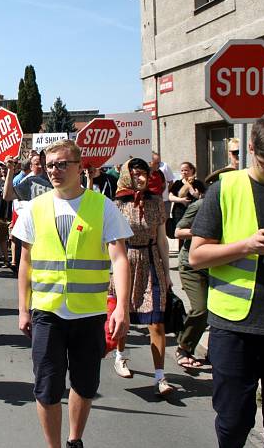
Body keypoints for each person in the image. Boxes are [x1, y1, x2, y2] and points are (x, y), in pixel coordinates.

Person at [189, 113, 264, 448]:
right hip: (236, 327)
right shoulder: (224, 189)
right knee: (234, 422)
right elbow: (197, 256)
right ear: (250, 148)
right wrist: (247, 246)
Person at [15, 139, 131, 448]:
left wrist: (121, 306)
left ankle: (74, 440)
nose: (54, 170)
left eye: (62, 164)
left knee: (85, 384)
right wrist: (23, 309)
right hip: (47, 312)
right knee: (47, 388)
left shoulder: (101, 206)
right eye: (50, 165)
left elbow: (119, 258)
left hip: (89, 313)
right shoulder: (35, 207)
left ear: (80, 167)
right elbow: (25, 262)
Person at [111, 158, 175, 396]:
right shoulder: (116, 205)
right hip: (126, 261)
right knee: (123, 313)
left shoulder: (156, 203)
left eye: (144, 174)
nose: (140, 178)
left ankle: (160, 377)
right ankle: (120, 355)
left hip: (151, 261)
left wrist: (167, 273)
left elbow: (162, 240)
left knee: (156, 321)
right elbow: (111, 242)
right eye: (135, 174)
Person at [173, 168, 227, 368]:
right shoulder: (201, 205)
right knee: (200, 309)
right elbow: (178, 231)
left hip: (218, 264)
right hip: (192, 265)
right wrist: (202, 232)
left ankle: (215, 353)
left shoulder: (237, 205)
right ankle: (184, 347)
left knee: (219, 312)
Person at [169, 162, 205, 240]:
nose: (184, 172)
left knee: (193, 232)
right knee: (180, 233)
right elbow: (170, 197)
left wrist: (196, 195)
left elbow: (204, 196)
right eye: (182, 170)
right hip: (179, 211)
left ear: (192, 170)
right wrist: (181, 200)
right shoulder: (177, 183)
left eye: (186, 170)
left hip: (194, 212)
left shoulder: (198, 183)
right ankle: (181, 251)